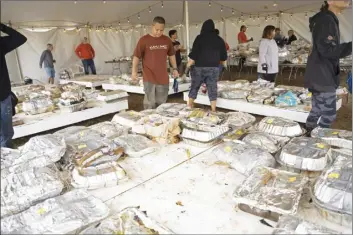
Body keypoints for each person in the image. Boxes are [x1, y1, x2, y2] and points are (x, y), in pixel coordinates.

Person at [304, 0, 352, 131]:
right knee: (329, 116)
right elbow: (327, 50)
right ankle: (314, 140)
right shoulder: (326, 20)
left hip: (319, 74)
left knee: (317, 110)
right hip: (322, 76)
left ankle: (307, 135)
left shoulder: (325, 18)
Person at [132, 16, 179, 109]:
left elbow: (172, 55)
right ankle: (148, 121)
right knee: (149, 103)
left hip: (163, 77)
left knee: (161, 104)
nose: (158, 32)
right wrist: (134, 71)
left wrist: (175, 69)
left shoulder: (167, 40)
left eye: (161, 30)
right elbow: (136, 56)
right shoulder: (144, 40)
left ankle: (159, 122)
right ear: (152, 26)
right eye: (156, 29)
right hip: (149, 77)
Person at [184, 19, 227, 112]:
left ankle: (189, 107)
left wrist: (187, 67)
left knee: (194, 87)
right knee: (212, 89)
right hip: (214, 68)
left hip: (199, 68)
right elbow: (223, 57)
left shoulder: (199, 38)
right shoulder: (219, 39)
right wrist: (224, 67)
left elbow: (194, 54)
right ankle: (213, 110)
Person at [0, 23, 27, 148]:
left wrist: (3, 27)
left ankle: (8, 156)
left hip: (3, 95)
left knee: (7, 133)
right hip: (4, 95)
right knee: (3, 135)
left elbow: (20, 39)